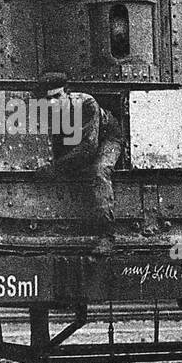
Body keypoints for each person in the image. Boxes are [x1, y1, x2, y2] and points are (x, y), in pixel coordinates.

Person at [34, 71, 123, 244]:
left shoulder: (87, 104)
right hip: (81, 142)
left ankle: (107, 235)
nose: (53, 101)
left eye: (57, 95)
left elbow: (89, 148)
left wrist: (56, 168)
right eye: (48, 98)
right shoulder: (51, 110)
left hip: (108, 139)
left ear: (67, 93)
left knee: (99, 171)